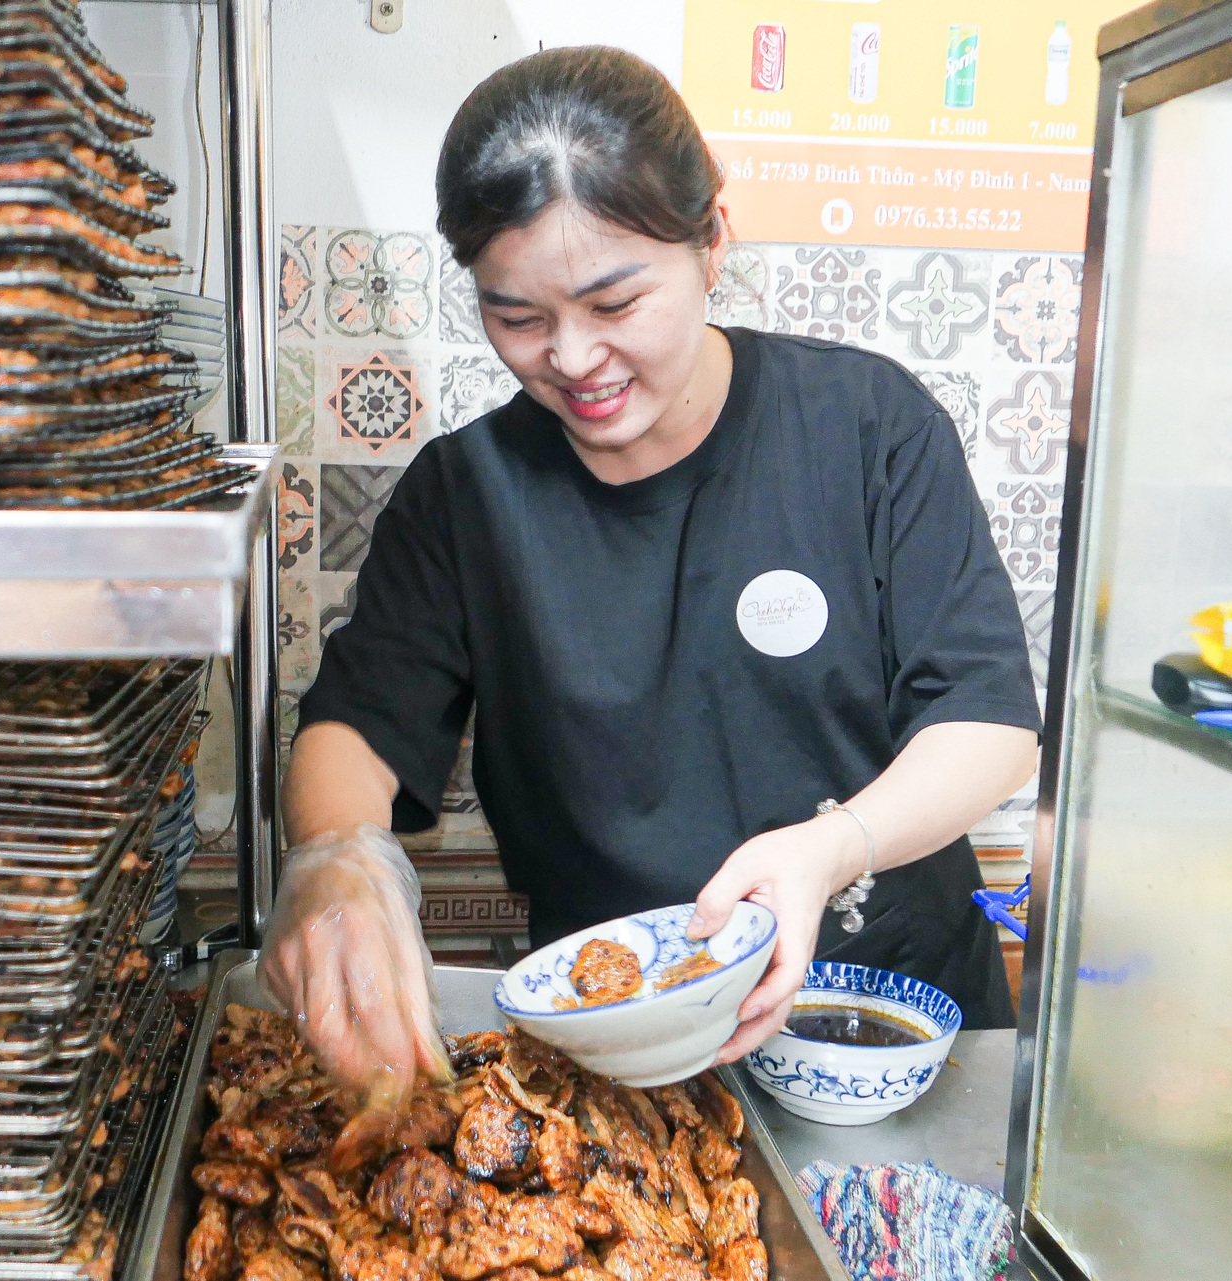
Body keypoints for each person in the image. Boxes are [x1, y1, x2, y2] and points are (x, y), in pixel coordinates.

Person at [260, 46, 1041, 1099]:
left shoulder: (866, 426)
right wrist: (338, 859)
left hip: (889, 1029)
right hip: (619, 1050)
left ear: (713, 238)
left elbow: (989, 720)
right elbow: (355, 723)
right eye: (518, 318)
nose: (573, 359)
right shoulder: (466, 494)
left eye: (615, 304)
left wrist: (831, 848)